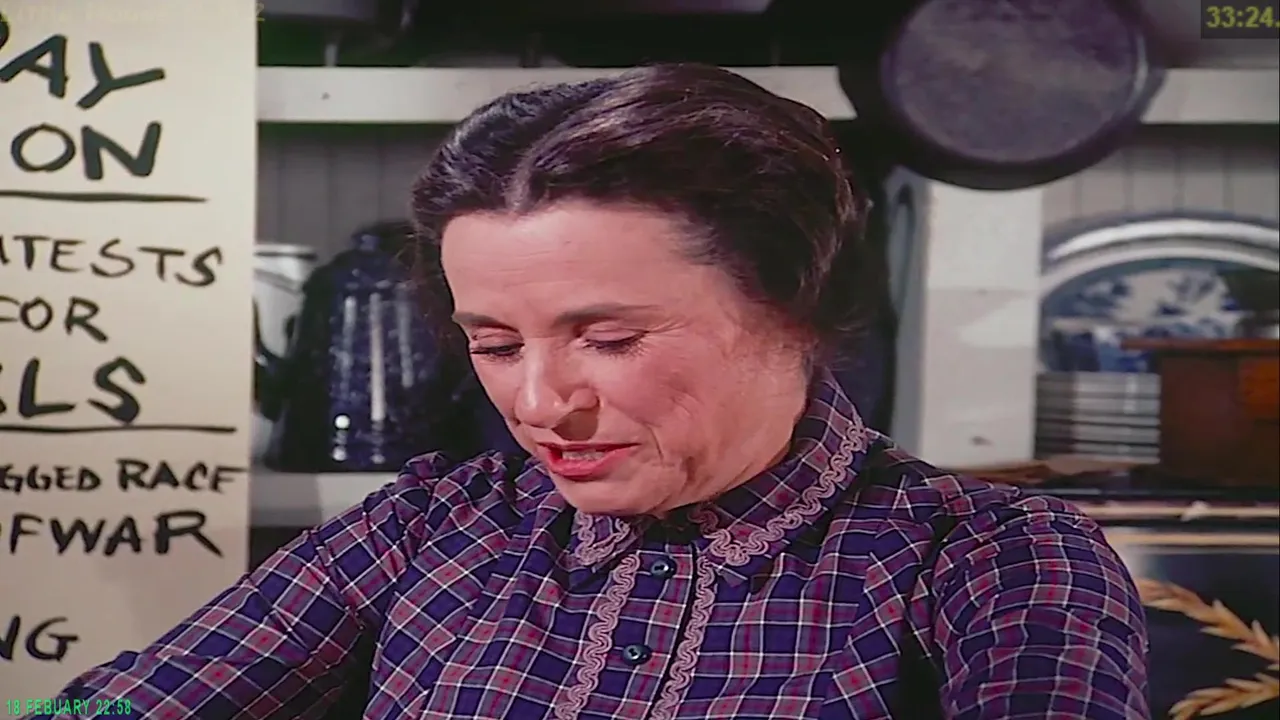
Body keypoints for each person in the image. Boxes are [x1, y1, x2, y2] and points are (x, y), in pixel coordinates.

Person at [30, 63, 1150, 720]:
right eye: (492, 342)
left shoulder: (988, 558)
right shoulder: (431, 529)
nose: (538, 403)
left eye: (608, 339)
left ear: (793, 309)